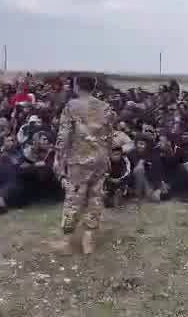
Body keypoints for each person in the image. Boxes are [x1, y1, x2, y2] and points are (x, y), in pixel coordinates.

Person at [53, 76, 114, 255]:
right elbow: (110, 136)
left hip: (79, 160)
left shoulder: (72, 106)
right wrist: (107, 156)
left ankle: (67, 242)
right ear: (94, 87)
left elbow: (64, 136)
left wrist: (59, 157)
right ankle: (89, 241)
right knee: (95, 198)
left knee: (74, 199)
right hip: (100, 159)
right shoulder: (105, 107)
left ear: (77, 87)